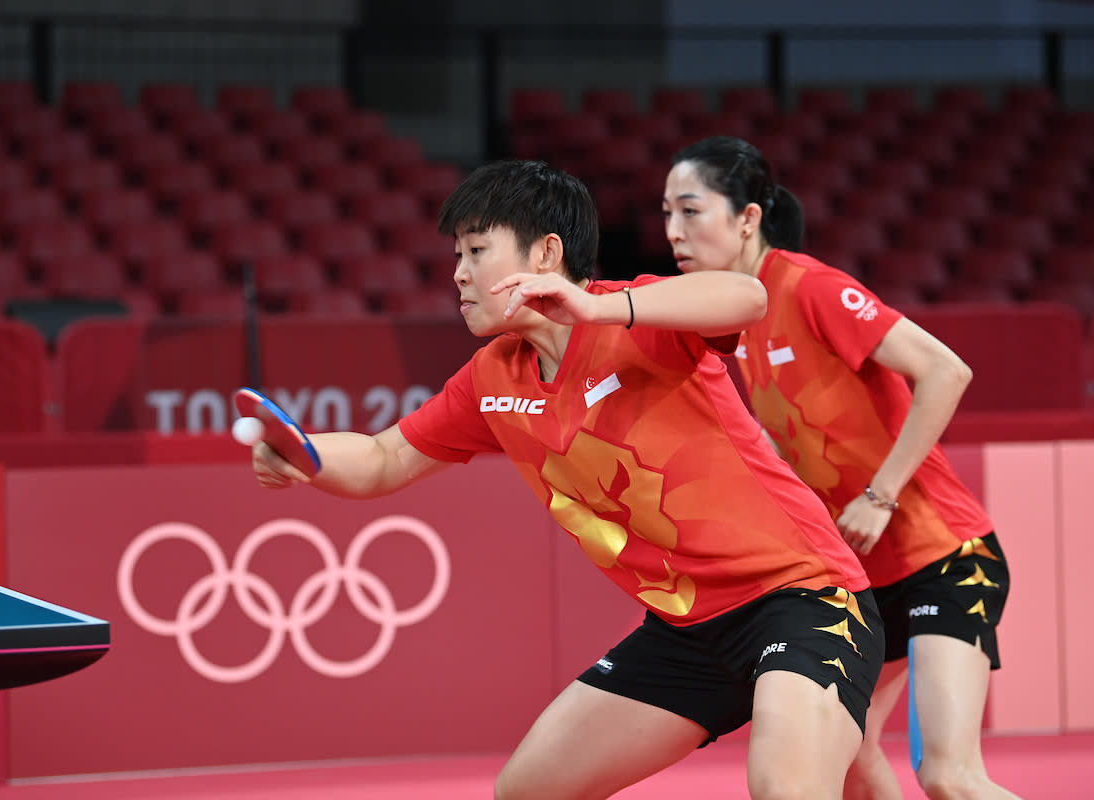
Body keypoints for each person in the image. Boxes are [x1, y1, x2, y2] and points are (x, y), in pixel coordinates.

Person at [252, 159, 883, 800]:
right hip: (684, 632)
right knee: (527, 791)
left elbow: (747, 298)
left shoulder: (639, 320)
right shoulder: (492, 376)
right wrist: (306, 454)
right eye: (456, 255)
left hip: (802, 602)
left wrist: (600, 307)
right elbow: (385, 459)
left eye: (476, 250)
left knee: (787, 788)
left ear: (547, 253)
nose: (459, 273)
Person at [661, 136, 1018, 800]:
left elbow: (947, 371)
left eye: (690, 210)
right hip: (863, 579)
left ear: (747, 217)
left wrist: (879, 495)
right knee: (845, 755)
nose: (673, 233)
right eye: (664, 215)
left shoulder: (810, 287)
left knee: (947, 774)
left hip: (945, 553)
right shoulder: (735, 325)